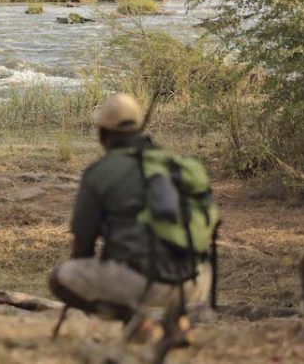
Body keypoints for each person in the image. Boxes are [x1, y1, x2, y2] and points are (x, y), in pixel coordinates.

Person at [48, 93, 212, 340]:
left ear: (103, 135)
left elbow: (83, 245)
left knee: (60, 278)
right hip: (197, 280)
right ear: (139, 128)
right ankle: (178, 320)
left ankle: (138, 322)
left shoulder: (99, 173)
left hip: (140, 280)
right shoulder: (180, 164)